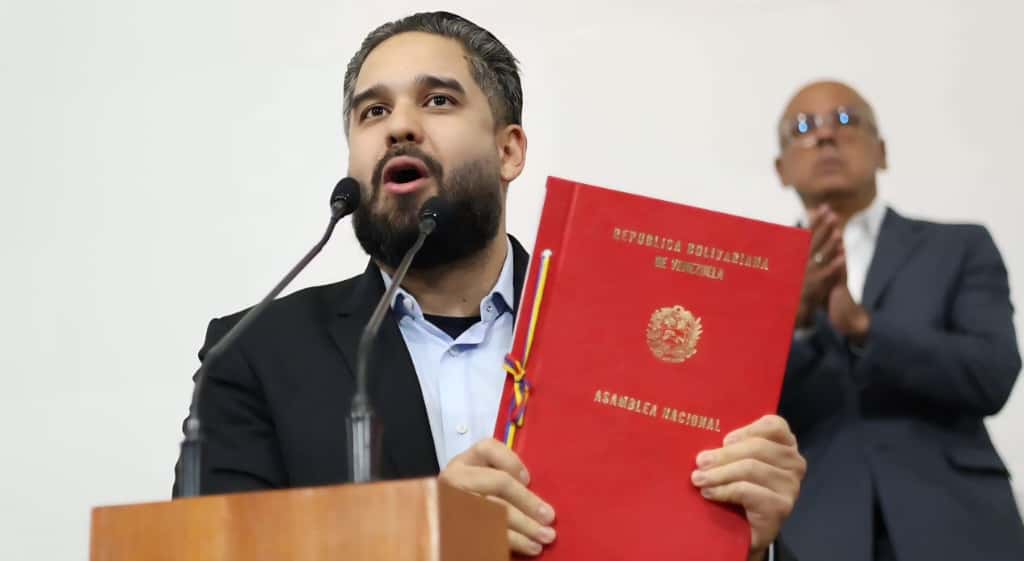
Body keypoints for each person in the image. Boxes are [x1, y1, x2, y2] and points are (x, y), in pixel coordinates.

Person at [174, 12, 806, 560]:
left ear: (510, 152)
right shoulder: (254, 353)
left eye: (438, 101)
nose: (399, 126)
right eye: (373, 111)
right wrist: (425, 537)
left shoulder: (625, 338)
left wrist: (743, 544)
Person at [774, 80, 1024, 561]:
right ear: (781, 170)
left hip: (958, 522)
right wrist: (798, 321)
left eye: (846, 120)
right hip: (812, 532)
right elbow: (729, 404)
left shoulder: (960, 247)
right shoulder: (755, 272)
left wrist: (865, 327)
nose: (825, 136)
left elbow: (993, 373)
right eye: (803, 128)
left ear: (882, 152)